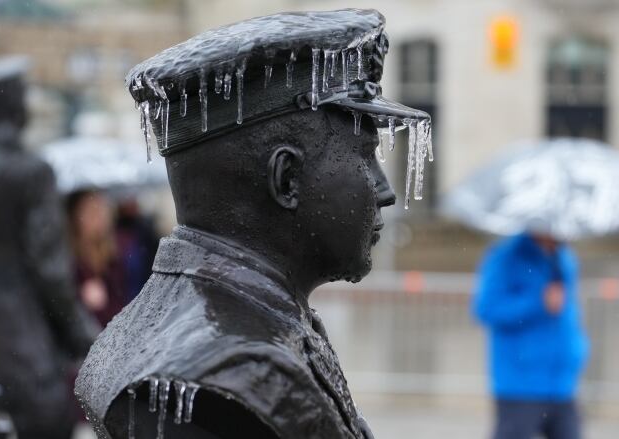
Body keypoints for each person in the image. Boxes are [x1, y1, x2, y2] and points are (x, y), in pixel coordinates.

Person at [75, 9, 431, 439]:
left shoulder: (172, 323)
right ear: (287, 179)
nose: (384, 189)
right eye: (364, 156)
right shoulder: (241, 372)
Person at [0, 56, 97, 439]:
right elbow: (50, 271)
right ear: (9, 106)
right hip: (22, 348)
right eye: (22, 97)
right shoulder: (29, 171)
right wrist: (89, 342)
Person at [473, 232, 589, 439]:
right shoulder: (506, 257)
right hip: (521, 384)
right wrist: (537, 303)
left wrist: (578, 349)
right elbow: (486, 309)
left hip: (562, 383)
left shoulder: (564, 257)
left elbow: (567, 312)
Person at [67, 189, 128, 326]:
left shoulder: (117, 252)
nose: (99, 219)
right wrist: (80, 297)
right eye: (91, 213)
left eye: (101, 212)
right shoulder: (70, 259)